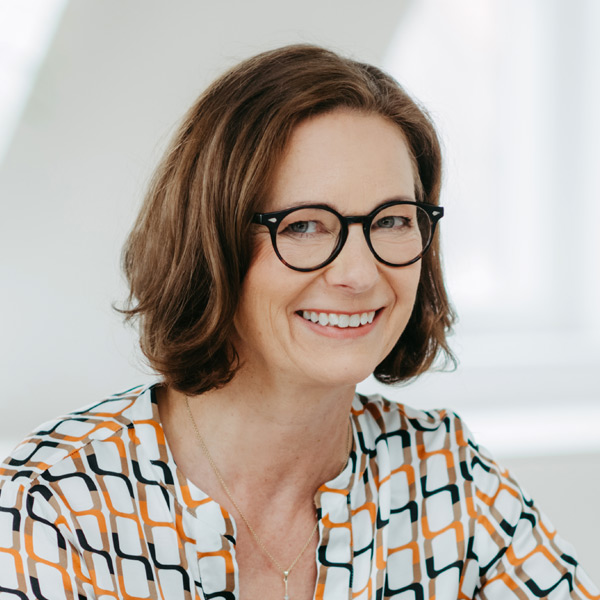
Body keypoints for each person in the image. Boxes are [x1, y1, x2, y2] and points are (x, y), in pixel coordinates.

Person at [0, 44, 597, 600]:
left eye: (392, 220)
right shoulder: (52, 508)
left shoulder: (445, 472)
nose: (358, 274)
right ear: (213, 243)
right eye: (304, 226)